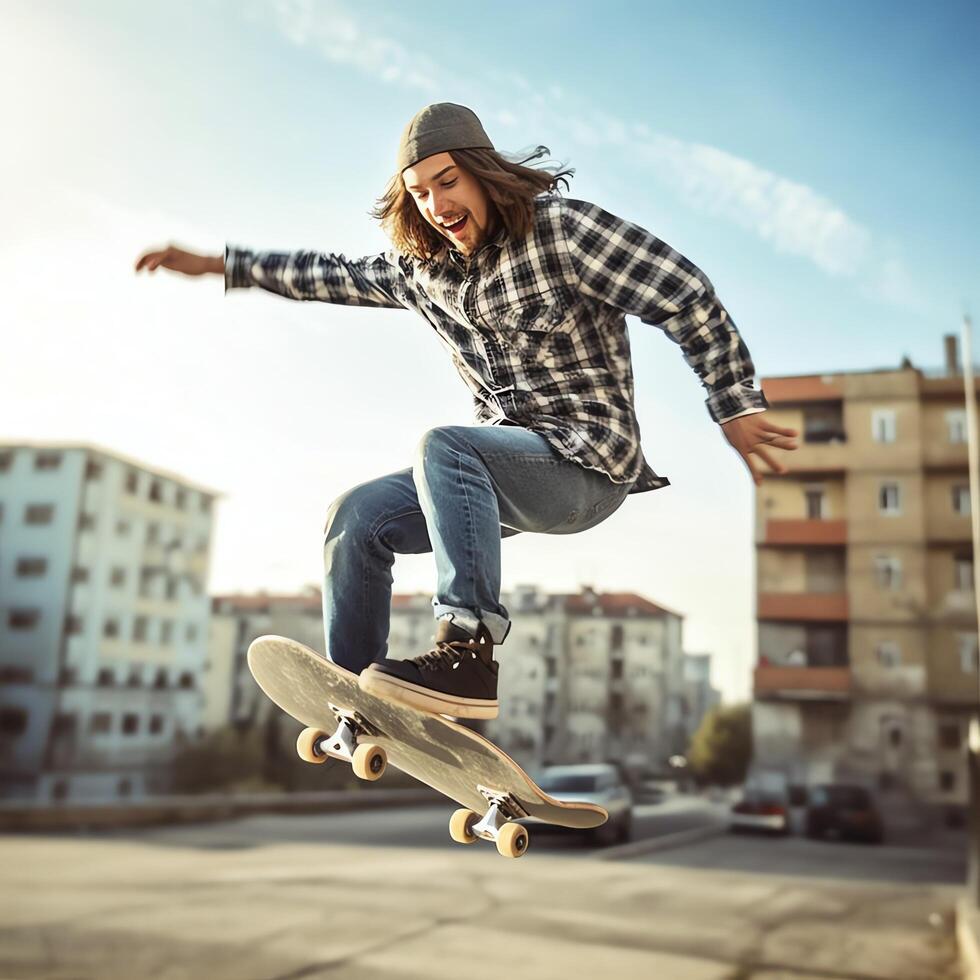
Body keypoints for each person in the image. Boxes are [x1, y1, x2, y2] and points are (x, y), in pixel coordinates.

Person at [135, 102, 798, 721]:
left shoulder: (564, 233)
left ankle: (468, 655)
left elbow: (684, 294)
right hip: (496, 478)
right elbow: (323, 274)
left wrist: (734, 403)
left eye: (447, 182)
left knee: (447, 444)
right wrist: (220, 264)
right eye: (420, 192)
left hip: (587, 471)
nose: (436, 204)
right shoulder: (425, 275)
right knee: (356, 517)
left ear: (483, 174)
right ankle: (363, 693)